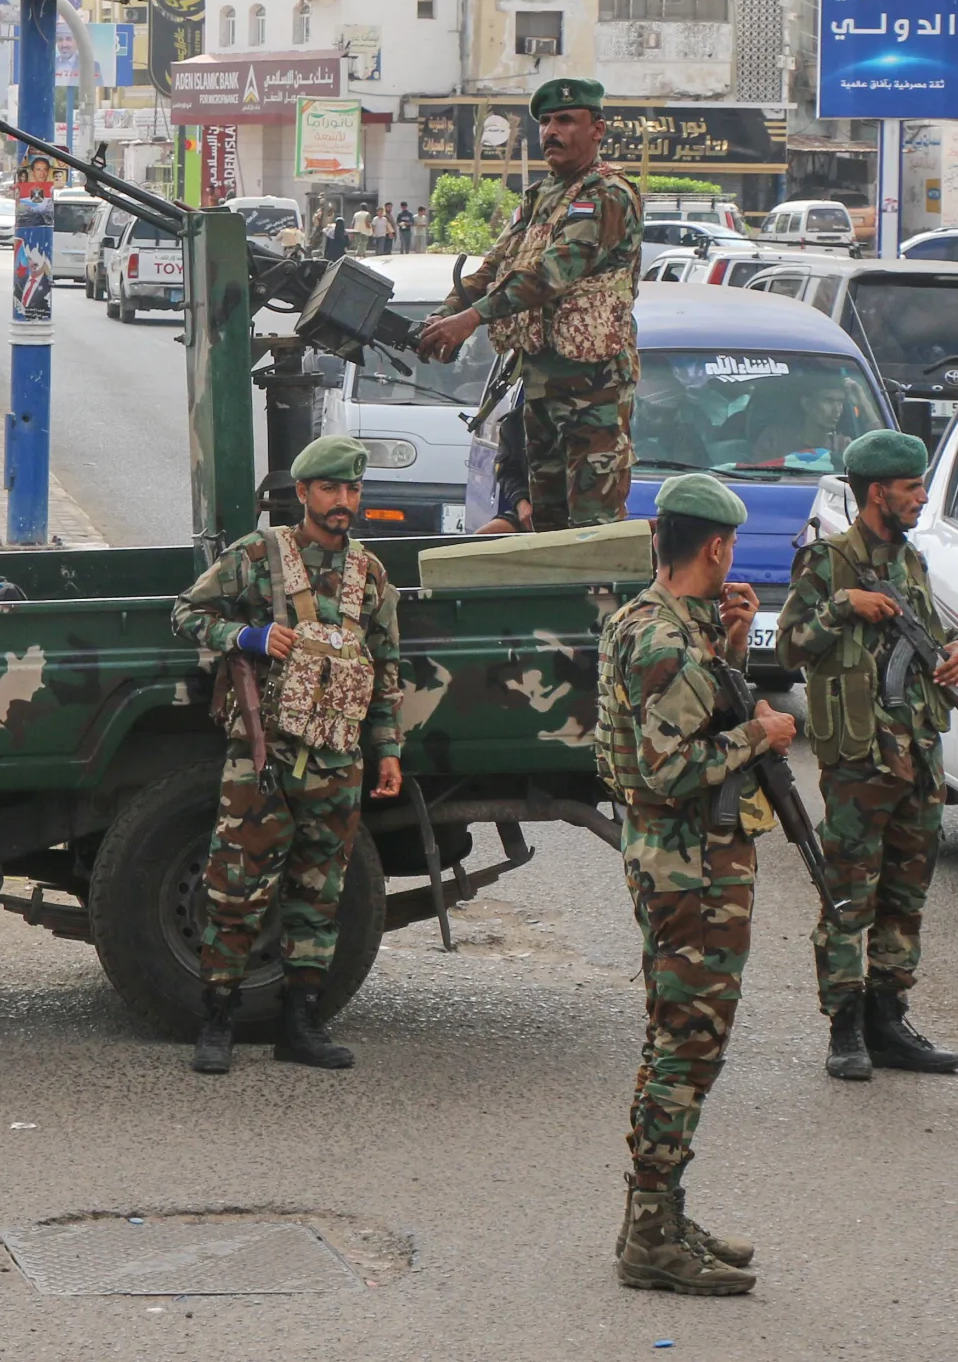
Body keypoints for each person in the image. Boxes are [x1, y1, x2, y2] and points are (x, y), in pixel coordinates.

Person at [597, 474, 796, 1295]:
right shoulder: (666, 642)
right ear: (713, 547)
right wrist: (763, 732)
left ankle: (658, 1215)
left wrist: (737, 646)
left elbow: (690, 714)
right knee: (687, 1048)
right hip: (691, 873)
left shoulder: (658, 623)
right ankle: (652, 1235)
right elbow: (673, 766)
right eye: (732, 549)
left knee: (674, 1041)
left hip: (681, 864)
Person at [172, 434, 404, 1076]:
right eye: (330, 489)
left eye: (352, 490)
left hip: (338, 757)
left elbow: (384, 669)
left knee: (319, 891)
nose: (342, 502)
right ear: (303, 493)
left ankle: (301, 1023)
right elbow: (186, 613)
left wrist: (386, 750)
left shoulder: (370, 574)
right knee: (235, 889)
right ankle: (215, 1019)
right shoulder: (259, 557)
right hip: (264, 755)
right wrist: (245, 634)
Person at [777, 429, 958, 1081]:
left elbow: (932, 631)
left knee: (905, 896)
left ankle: (889, 1019)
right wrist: (844, 606)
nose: (922, 496)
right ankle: (845, 1029)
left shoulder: (910, 560)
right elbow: (790, 647)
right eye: (912, 487)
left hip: (918, 757)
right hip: (861, 763)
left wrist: (956, 653)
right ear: (878, 492)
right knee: (847, 898)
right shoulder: (830, 561)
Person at [418, 77, 642, 532]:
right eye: (544, 122)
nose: (551, 131)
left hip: (592, 394)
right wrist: (444, 315)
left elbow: (550, 275)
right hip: (540, 389)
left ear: (597, 129)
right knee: (547, 527)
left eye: (565, 120)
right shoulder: (540, 198)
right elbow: (493, 269)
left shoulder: (608, 195)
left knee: (592, 532)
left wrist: (470, 320)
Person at [474, 387, 534, 535]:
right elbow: (508, 472)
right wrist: (522, 504)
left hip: (586, 512)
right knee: (480, 540)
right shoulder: (516, 422)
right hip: (536, 511)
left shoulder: (588, 418)